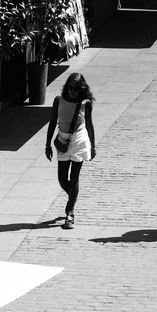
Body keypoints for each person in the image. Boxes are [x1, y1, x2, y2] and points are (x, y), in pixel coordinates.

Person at [45, 73, 97, 229]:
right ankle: (73, 197)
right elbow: (53, 122)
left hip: (79, 140)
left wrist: (93, 146)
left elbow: (89, 125)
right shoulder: (58, 101)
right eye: (70, 87)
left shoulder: (85, 103)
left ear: (81, 89)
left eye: (76, 88)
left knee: (74, 176)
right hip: (62, 140)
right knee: (62, 178)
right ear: (66, 87)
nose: (73, 91)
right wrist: (47, 145)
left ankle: (70, 212)